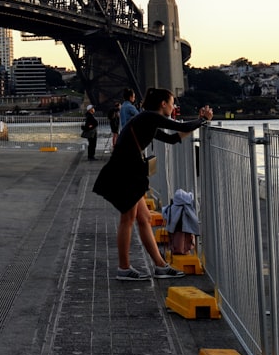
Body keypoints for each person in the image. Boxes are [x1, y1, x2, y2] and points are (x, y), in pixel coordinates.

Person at [91, 87, 213, 280]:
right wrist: (203, 120)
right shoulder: (149, 117)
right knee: (128, 219)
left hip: (127, 170)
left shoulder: (146, 120)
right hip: (126, 172)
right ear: (163, 104)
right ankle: (124, 268)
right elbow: (181, 127)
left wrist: (196, 125)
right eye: (172, 103)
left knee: (144, 218)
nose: (173, 107)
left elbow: (173, 139)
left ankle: (160, 266)